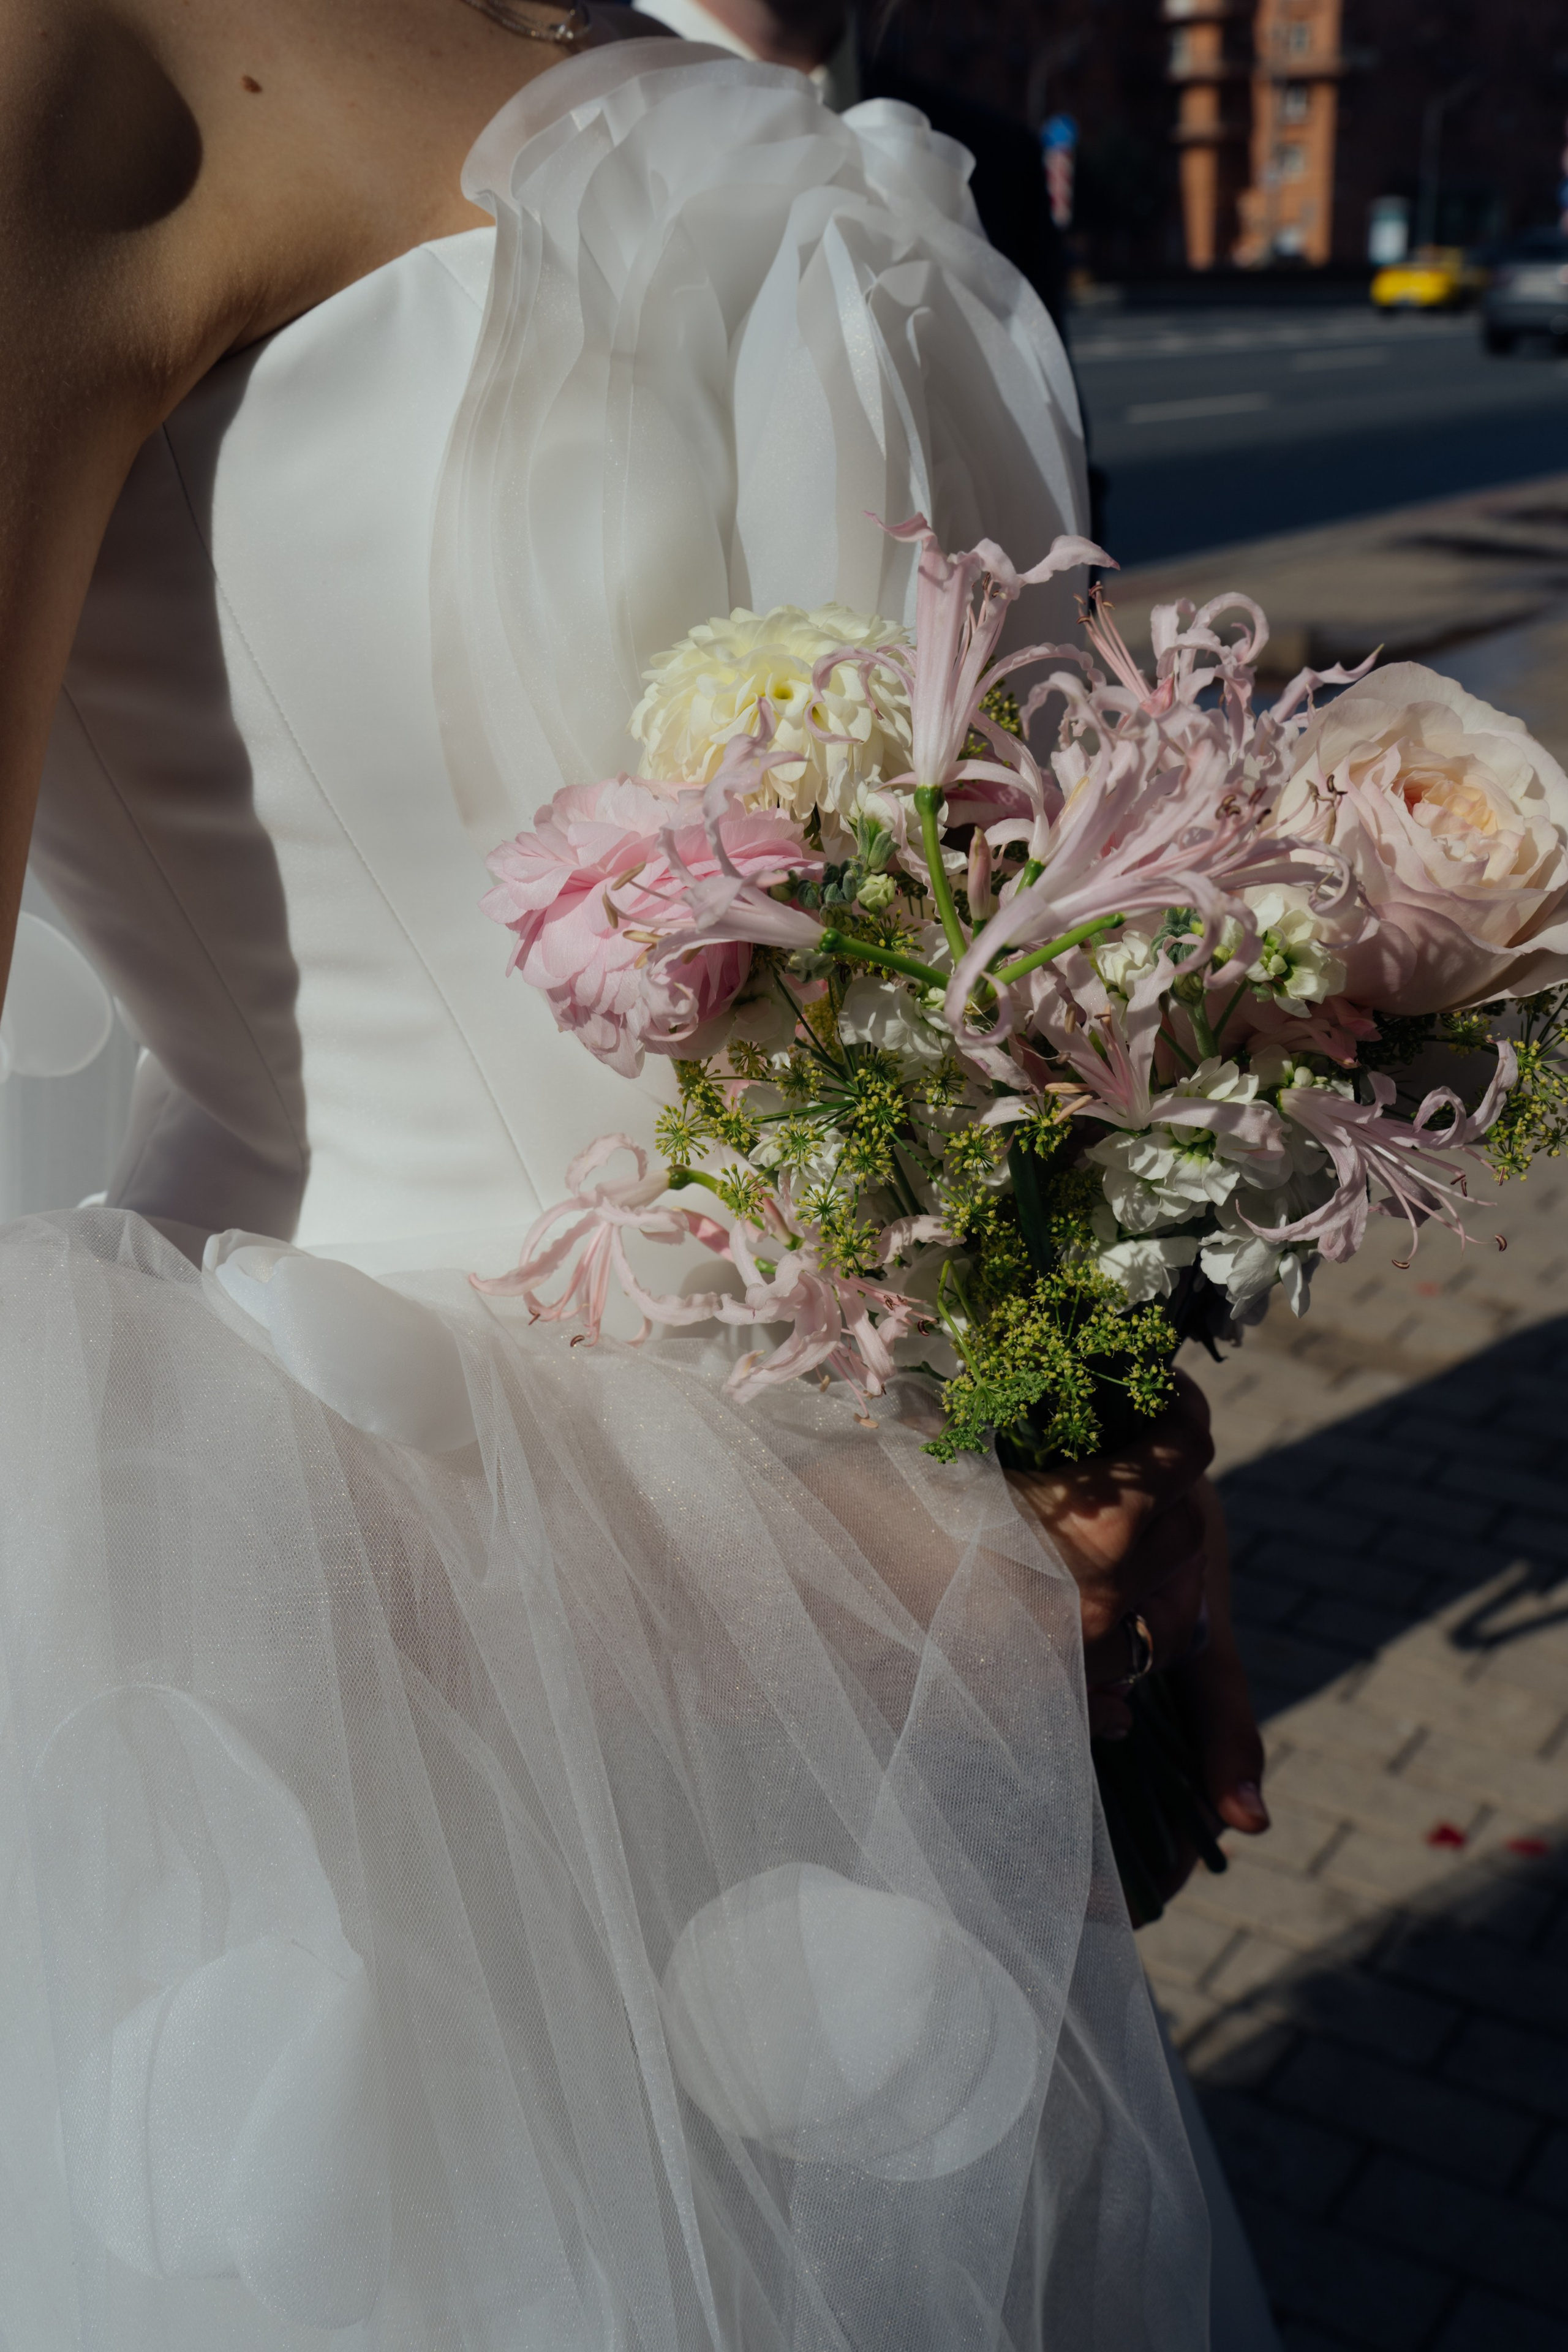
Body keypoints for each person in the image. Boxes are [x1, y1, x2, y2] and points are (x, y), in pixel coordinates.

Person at [0, 2, 1265, 2344]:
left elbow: (944, 949)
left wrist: (1092, 1397)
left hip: (887, 1598)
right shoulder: (83, 58)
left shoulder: (668, 59)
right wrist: (764, 1566)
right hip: (380, 1660)